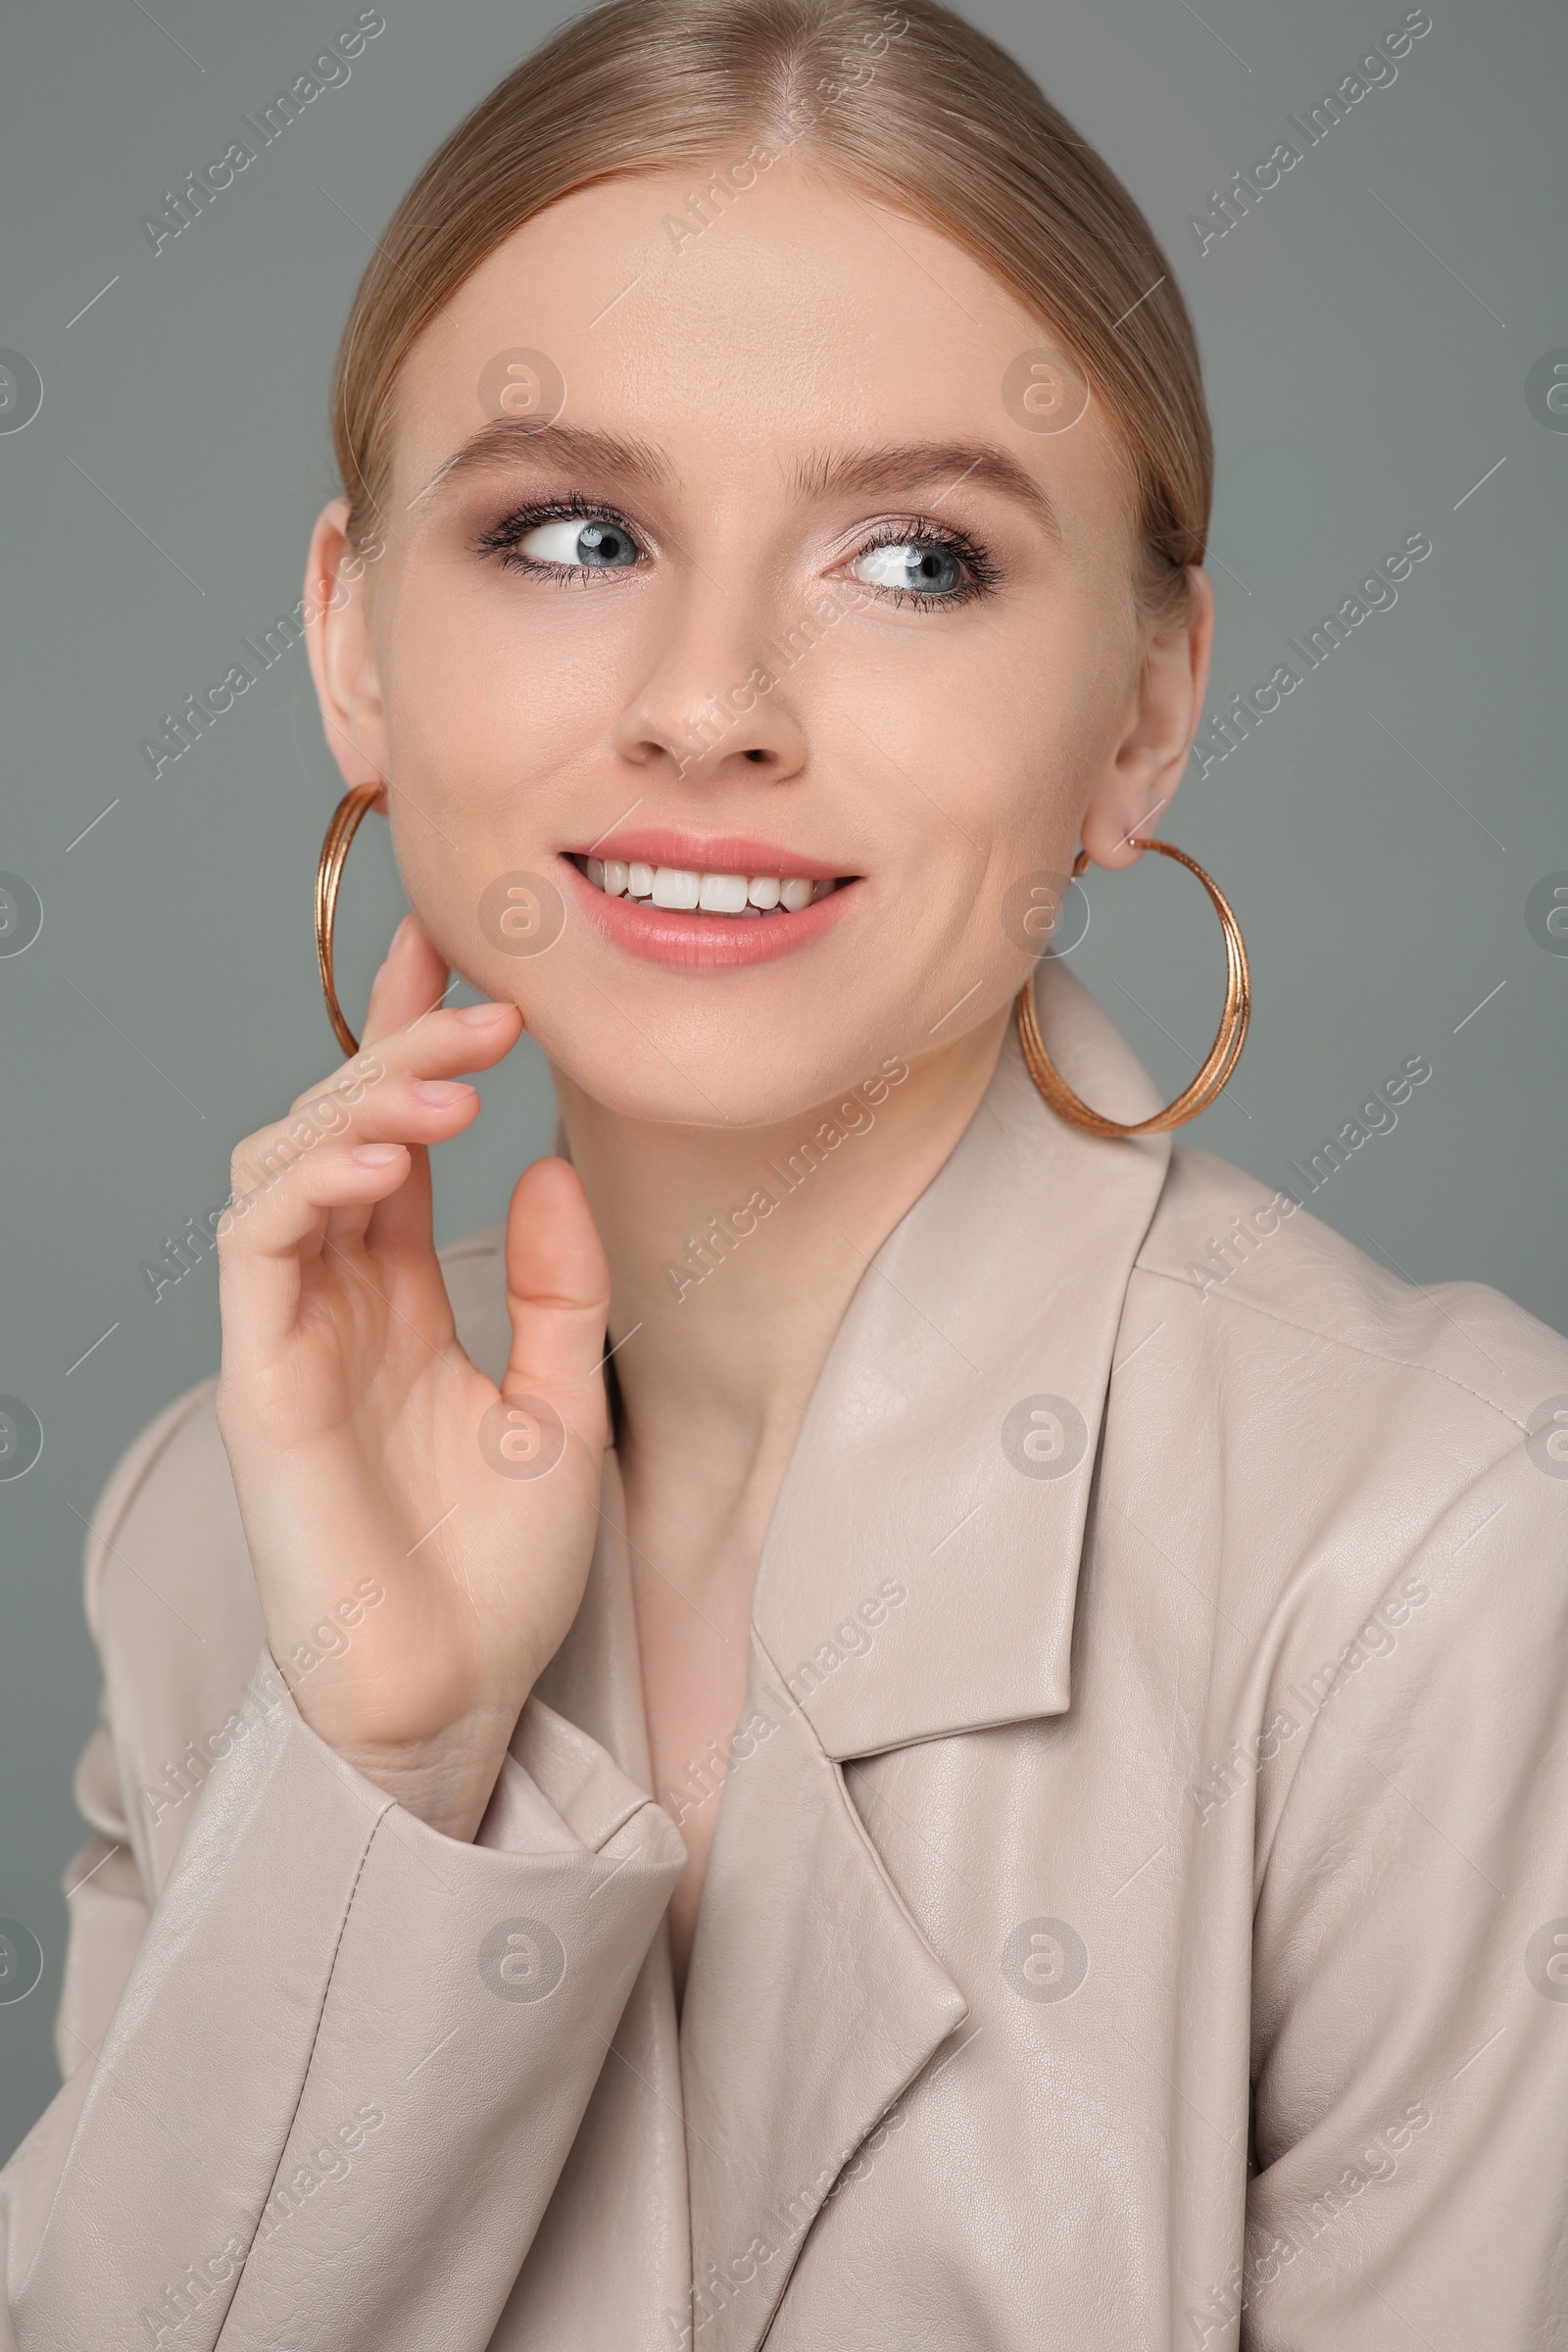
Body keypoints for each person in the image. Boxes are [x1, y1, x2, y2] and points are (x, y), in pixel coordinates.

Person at [5, 1, 1567, 2344]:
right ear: (352, 635)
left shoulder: (1449, 1559)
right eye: (571, 530)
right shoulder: (203, 1536)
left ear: (1139, 712)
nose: (710, 695)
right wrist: (383, 1768)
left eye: (914, 559)